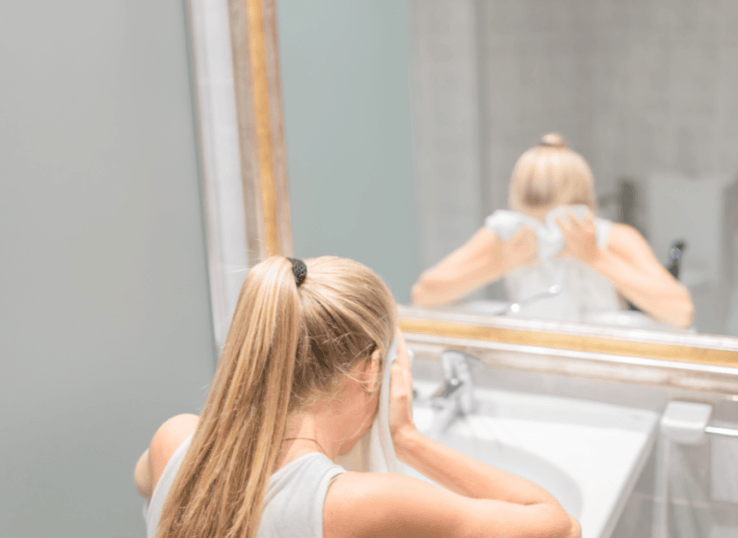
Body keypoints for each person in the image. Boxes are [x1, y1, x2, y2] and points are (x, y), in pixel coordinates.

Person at [134, 255, 580, 538]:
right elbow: (559, 527)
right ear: (370, 370)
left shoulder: (175, 441)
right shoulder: (354, 505)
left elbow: (149, 481)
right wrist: (407, 438)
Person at [412, 133, 694, 328]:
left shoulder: (615, 239)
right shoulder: (508, 236)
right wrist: (500, 264)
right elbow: (424, 295)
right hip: (533, 360)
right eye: (537, 218)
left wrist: (597, 258)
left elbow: (680, 312)